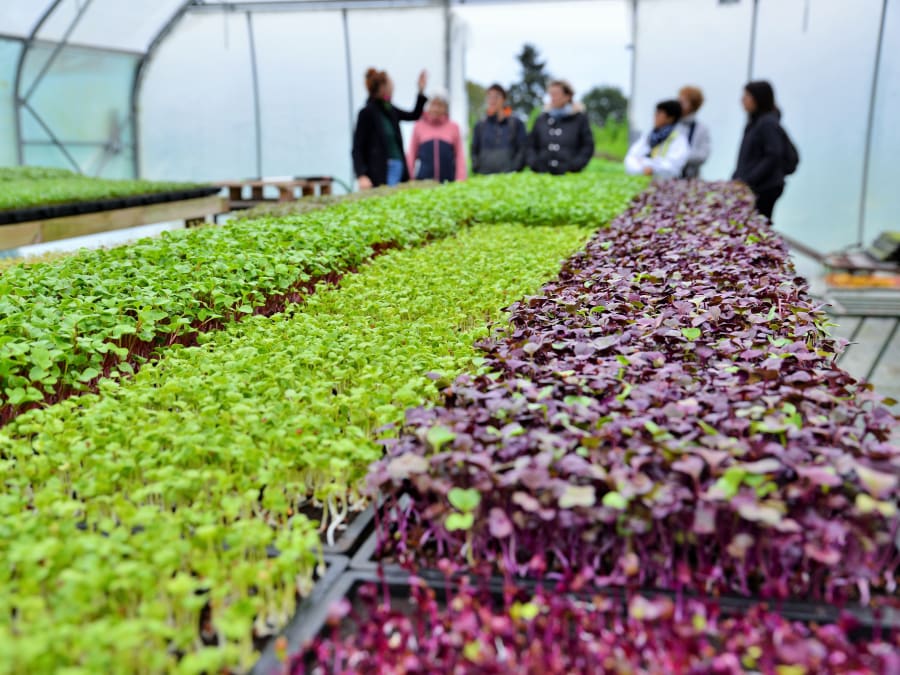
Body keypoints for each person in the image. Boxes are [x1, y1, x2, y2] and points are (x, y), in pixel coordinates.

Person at [352, 68, 427, 189]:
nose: (393, 87)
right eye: (390, 84)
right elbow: (358, 147)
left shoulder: (390, 109)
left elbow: (414, 115)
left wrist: (421, 90)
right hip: (381, 170)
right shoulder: (367, 113)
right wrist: (361, 175)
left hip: (398, 167)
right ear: (382, 87)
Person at [733, 80, 790, 220]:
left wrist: (748, 180)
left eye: (747, 96)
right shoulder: (755, 122)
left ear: (758, 98)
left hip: (764, 188)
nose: (743, 99)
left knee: (758, 225)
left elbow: (774, 155)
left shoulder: (767, 123)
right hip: (755, 185)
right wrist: (736, 179)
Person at [527, 80, 594, 175]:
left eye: (556, 94)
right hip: (542, 172)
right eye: (551, 94)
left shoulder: (579, 119)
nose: (552, 98)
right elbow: (531, 145)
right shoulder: (542, 119)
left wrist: (575, 165)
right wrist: (535, 164)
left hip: (570, 173)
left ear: (568, 96)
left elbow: (588, 146)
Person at [407, 90, 466, 183]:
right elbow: (411, 154)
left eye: (440, 105)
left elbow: (459, 156)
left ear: (445, 108)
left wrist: (461, 179)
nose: (435, 109)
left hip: (448, 182)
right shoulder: (419, 126)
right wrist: (409, 178)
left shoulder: (453, 127)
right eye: (433, 104)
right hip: (423, 183)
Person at [624, 100, 689, 179]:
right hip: (642, 181)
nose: (655, 116)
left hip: (665, 186)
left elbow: (672, 167)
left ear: (670, 118)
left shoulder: (678, 138)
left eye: (659, 114)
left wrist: (647, 164)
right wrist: (644, 168)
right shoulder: (649, 135)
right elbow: (630, 158)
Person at [471, 84, 527, 174]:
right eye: (489, 97)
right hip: (484, 176)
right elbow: (474, 149)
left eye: (496, 96)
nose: (492, 100)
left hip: (509, 177)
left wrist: (515, 169)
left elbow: (522, 149)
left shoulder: (516, 124)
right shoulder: (480, 125)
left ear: (504, 99)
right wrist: (477, 167)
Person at [677, 85, 711, 178]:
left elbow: (703, 155)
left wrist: (679, 157)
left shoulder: (701, 129)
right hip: (669, 178)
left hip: (691, 177)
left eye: (683, 101)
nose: (679, 104)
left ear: (693, 105)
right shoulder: (671, 126)